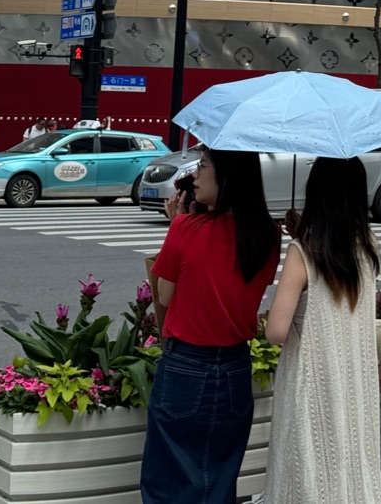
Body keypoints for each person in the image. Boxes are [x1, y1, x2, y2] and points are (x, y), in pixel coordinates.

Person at [144, 149, 279, 504]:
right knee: (219, 475)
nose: (195, 175)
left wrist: (178, 226)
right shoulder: (267, 235)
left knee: (169, 476)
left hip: (186, 365)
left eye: (203, 166)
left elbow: (165, 295)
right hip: (235, 367)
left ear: (227, 177)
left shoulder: (185, 228)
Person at [262, 157, 381, 504]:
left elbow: (276, 332)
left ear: (315, 193)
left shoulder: (303, 253)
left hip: (311, 383)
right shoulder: (368, 246)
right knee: (350, 471)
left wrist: (300, 240)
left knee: (308, 471)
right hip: (354, 383)